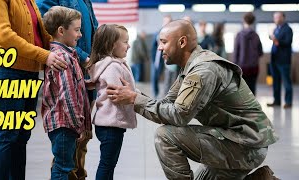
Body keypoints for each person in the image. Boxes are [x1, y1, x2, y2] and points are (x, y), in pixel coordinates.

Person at [106, 20, 279, 180]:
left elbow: (178, 116)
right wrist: (134, 95)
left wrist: (135, 99)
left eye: (164, 42)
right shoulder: (191, 67)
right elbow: (167, 106)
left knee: (165, 135)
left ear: (182, 42)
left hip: (245, 145)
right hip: (237, 139)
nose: (159, 48)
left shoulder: (203, 71)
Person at [0, 0, 67, 179]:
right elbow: (3, 36)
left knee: (21, 136)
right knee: (7, 135)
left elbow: (38, 32)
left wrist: (60, 50)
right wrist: (45, 55)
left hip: (28, 71)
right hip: (6, 70)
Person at [37, 0, 98, 178]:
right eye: (77, 30)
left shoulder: (69, 53)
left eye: (80, 30)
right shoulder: (63, 57)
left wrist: (86, 83)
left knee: (72, 159)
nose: (79, 34)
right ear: (61, 31)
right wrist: (77, 125)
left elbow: (71, 85)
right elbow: (67, 96)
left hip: (68, 122)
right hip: (65, 124)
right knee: (64, 165)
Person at [87, 24, 137, 180]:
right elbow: (119, 95)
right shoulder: (113, 67)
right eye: (125, 42)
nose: (128, 45)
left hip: (109, 124)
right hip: (111, 125)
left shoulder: (110, 64)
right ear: (111, 44)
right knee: (107, 165)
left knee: (108, 164)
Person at [267, 12, 293, 108]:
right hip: (274, 60)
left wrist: (275, 40)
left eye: (278, 17)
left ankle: (288, 102)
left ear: (283, 18)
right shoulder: (276, 29)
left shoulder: (288, 29)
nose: (276, 19)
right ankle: (276, 101)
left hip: (284, 60)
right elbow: (274, 40)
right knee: (275, 81)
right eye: (275, 17)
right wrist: (272, 37)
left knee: (286, 82)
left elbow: (287, 42)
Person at [233, 12, 263, 95]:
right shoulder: (256, 35)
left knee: (242, 89)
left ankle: (243, 107)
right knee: (252, 87)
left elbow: (236, 52)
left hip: (242, 67)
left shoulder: (239, 35)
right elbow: (260, 52)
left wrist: (234, 67)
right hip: (254, 66)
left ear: (244, 21)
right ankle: (253, 106)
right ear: (253, 21)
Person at [151, 15, 171, 98]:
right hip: (157, 57)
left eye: (169, 22)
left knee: (167, 76)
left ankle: (167, 95)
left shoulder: (172, 33)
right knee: (155, 76)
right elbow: (153, 47)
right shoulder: (157, 33)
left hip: (168, 56)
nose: (167, 23)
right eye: (165, 21)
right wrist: (152, 58)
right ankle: (155, 94)